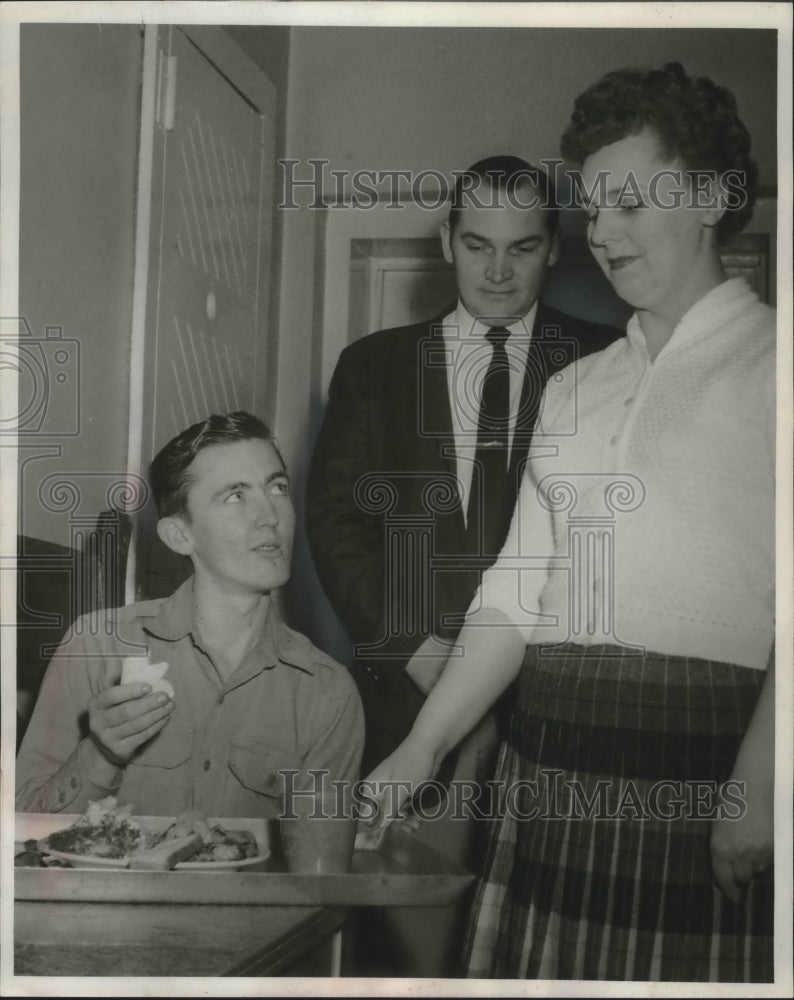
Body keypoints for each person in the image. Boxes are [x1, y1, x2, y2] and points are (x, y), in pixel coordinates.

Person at [367, 63, 775, 982]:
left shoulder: (775, 361)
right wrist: (422, 746)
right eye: (594, 209)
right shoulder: (575, 384)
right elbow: (515, 592)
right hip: (548, 757)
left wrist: (761, 780)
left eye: (629, 203)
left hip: (707, 760)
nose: (604, 233)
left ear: (712, 197)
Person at [307, 154, 621, 780]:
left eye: (522, 248)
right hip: (403, 699)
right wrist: (412, 648)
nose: (499, 272)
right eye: (478, 246)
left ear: (554, 248)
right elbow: (336, 522)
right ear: (446, 240)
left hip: (557, 705)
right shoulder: (372, 366)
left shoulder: (607, 360)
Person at [16, 411, 364, 818]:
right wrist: (101, 754)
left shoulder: (327, 693)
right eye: (236, 495)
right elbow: (20, 826)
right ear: (179, 535)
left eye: (278, 487)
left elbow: (320, 854)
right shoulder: (96, 646)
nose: (270, 515)